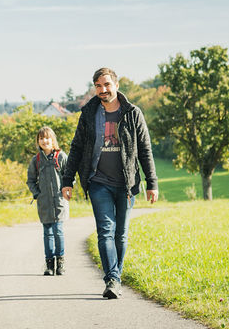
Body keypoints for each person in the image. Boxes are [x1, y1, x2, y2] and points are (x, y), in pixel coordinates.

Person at [61, 67, 158, 299]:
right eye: (98, 86)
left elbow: (144, 149)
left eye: (106, 85)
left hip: (127, 183)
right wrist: (67, 180)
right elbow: (76, 148)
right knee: (105, 231)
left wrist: (152, 182)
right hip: (98, 181)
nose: (103, 90)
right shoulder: (88, 113)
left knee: (120, 234)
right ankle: (112, 279)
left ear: (116, 85)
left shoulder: (133, 113)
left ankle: (116, 276)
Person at [26, 125, 69, 276]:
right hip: (44, 203)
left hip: (59, 202)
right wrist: (37, 193)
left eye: (47, 138)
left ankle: (60, 263)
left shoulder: (61, 157)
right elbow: (30, 180)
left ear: (53, 140)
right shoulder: (36, 160)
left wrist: (67, 191)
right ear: (38, 141)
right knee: (47, 233)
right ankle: (49, 264)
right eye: (41, 138)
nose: (45, 141)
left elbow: (69, 176)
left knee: (58, 231)